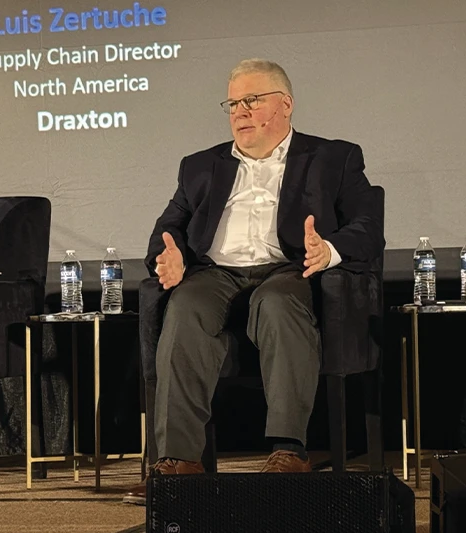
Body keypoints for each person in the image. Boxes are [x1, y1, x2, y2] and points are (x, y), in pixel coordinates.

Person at [123, 59, 383, 505]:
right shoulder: (200, 166)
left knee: (279, 304)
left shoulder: (333, 157)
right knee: (184, 309)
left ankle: (288, 451)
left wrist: (330, 250)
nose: (240, 111)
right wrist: (169, 258)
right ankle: (178, 461)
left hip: (287, 269)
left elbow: (367, 222)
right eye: (233, 103)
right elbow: (170, 227)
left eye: (251, 100)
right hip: (215, 273)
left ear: (285, 105)